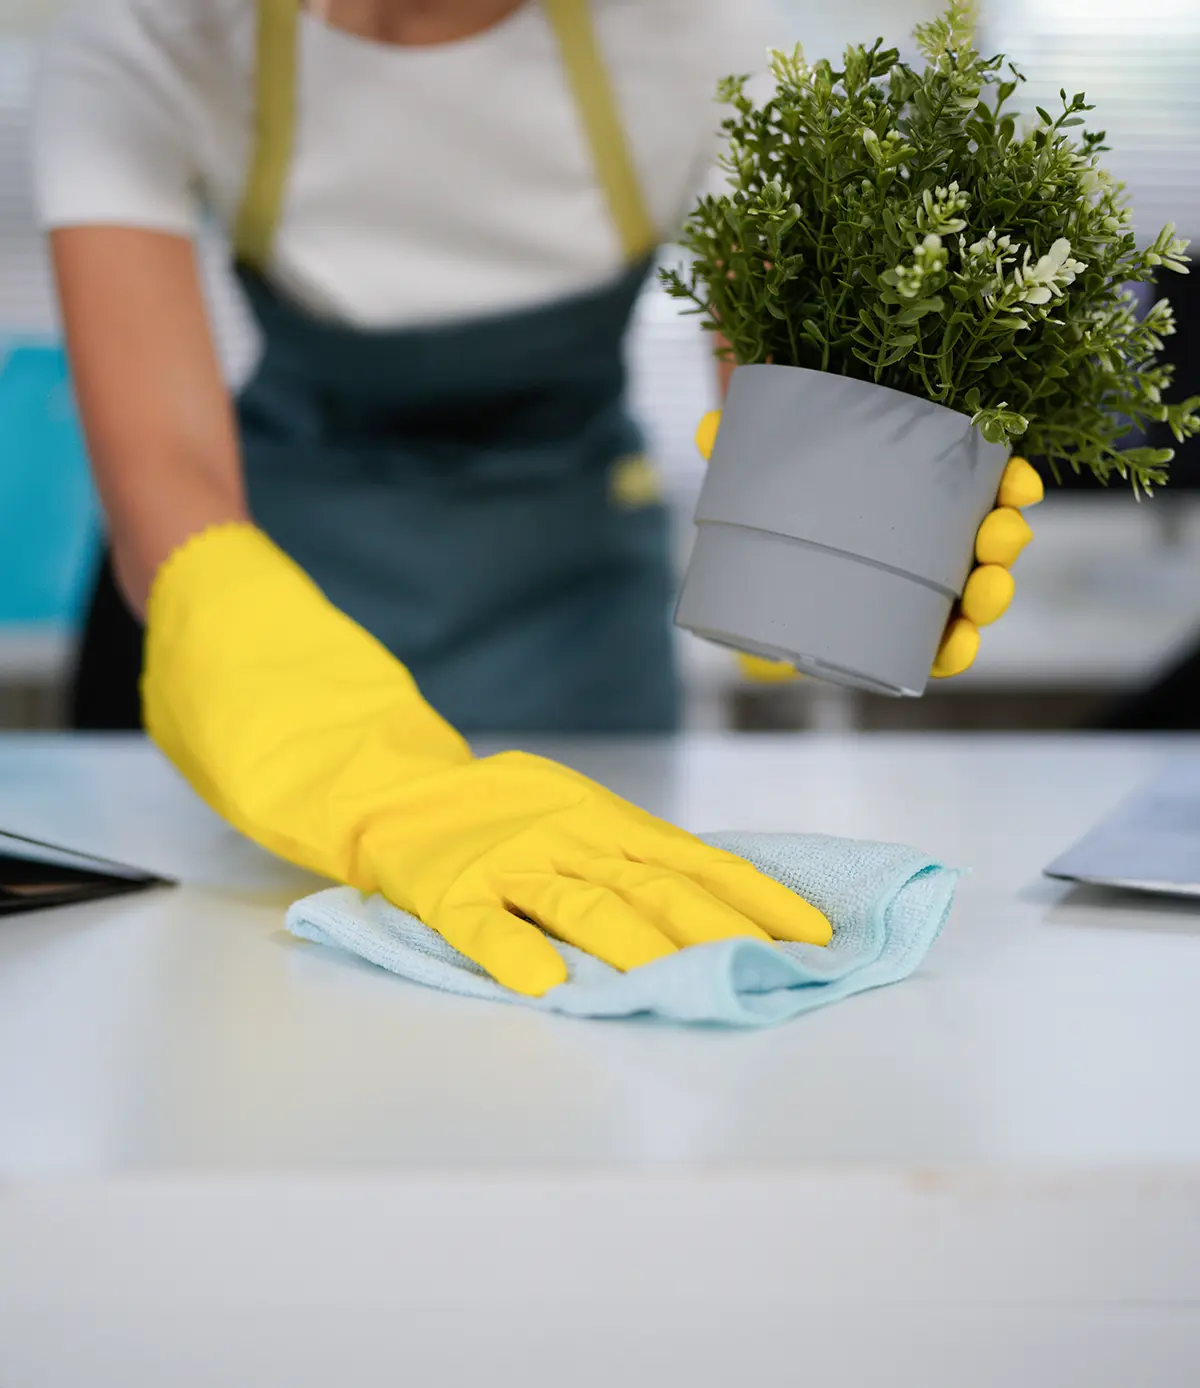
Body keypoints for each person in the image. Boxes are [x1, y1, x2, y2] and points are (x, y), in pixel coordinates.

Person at [35, 0, 1034, 995]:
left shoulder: (706, 37)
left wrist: (862, 537)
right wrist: (361, 777)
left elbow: (792, 405)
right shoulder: (144, 30)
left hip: (573, 635)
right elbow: (164, 467)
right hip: (266, 651)